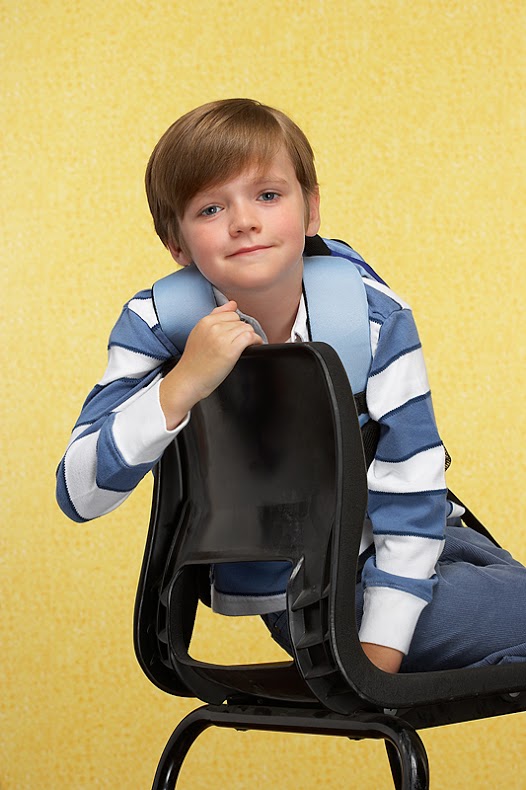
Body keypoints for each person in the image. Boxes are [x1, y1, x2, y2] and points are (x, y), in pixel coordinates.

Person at [56, 98, 526, 674]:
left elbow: (413, 488)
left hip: (423, 545)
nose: (243, 221)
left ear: (310, 212)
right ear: (176, 245)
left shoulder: (374, 316)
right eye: (209, 208)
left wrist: (385, 640)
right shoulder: (157, 324)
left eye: (269, 196)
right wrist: (180, 385)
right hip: (318, 595)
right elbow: (79, 493)